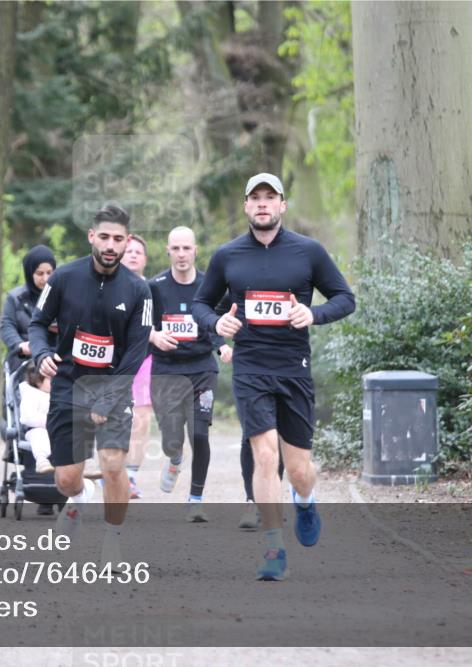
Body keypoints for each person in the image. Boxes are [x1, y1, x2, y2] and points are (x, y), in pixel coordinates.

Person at [193, 173, 356, 580]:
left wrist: (313, 314)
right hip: (250, 367)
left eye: (270, 197)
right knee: (265, 456)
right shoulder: (227, 255)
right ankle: (273, 548)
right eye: (256, 198)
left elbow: (345, 298)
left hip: (293, 369)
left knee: (299, 470)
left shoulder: (308, 251)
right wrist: (216, 324)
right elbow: (200, 304)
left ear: (282, 205)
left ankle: (306, 500)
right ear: (246, 206)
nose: (263, 204)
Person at [28, 204, 152, 564]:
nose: (111, 245)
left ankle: (112, 541)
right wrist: (41, 353)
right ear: (91, 237)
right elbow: (38, 324)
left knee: (112, 464)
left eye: (118, 239)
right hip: (69, 386)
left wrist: (109, 398)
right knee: (66, 480)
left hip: (114, 386)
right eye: (105, 237)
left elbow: (136, 351)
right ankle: (79, 497)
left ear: (127, 241)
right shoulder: (63, 278)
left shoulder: (139, 290)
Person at [147, 227, 231, 522]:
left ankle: (195, 499)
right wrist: (155, 336)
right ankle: (174, 457)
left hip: (201, 369)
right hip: (166, 370)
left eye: (186, 248)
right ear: (168, 251)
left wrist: (222, 346)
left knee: (199, 432)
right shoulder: (154, 287)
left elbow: (218, 321)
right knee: (171, 438)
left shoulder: (210, 286)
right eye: (176, 248)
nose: (181, 254)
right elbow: (141, 325)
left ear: (195, 250)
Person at [121, 234, 152, 499]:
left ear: (145, 259)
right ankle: (111, 470)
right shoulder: (108, 285)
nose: (132, 255)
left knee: (141, 419)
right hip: (113, 361)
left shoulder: (152, 289)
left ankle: (130, 476)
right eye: (128, 251)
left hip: (144, 361)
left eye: (138, 252)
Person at [0, 245, 57, 373]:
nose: (46, 279)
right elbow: (7, 326)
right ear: (29, 273)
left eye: (49, 273)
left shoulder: (61, 296)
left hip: (54, 358)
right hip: (24, 360)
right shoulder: (15, 298)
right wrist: (20, 345)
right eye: (40, 273)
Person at [18, 366, 54, 474]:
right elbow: (26, 417)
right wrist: (50, 422)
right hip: (36, 429)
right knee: (39, 435)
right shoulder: (31, 394)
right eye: (51, 380)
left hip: (57, 429)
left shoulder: (57, 395)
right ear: (38, 382)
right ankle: (41, 460)